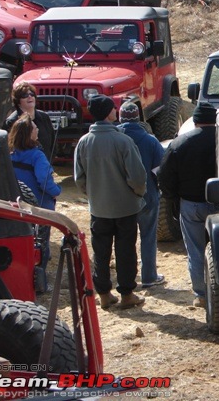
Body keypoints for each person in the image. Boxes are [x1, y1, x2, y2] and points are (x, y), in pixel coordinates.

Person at [74, 94, 147, 310]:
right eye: (114, 109)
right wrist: (137, 194)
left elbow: (79, 178)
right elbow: (137, 177)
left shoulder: (84, 142)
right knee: (126, 251)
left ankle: (104, 295)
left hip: (99, 208)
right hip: (125, 207)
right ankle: (127, 294)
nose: (117, 111)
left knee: (101, 251)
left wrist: (94, 195)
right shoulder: (123, 140)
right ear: (109, 113)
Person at [158, 102, 218, 308]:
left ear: (196, 121)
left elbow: (165, 178)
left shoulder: (179, 143)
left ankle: (201, 295)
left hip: (190, 205)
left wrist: (174, 198)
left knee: (195, 250)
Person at [8, 113, 61, 291]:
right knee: (41, 245)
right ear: (28, 133)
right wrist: (56, 192)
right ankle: (39, 283)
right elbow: (44, 180)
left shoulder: (10, 154)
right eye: (34, 128)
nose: (38, 129)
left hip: (16, 207)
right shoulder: (37, 156)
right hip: (40, 208)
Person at [118, 102, 166, 289]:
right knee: (148, 236)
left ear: (120, 117)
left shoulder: (115, 140)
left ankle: (127, 279)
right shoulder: (150, 140)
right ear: (138, 118)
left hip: (120, 199)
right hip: (147, 196)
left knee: (124, 239)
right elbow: (159, 170)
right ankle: (149, 276)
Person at [2, 82, 55, 162]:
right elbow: (8, 149)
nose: (30, 97)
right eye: (25, 95)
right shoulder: (11, 122)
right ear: (18, 101)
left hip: (44, 166)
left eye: (32, 94)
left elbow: (53, 144)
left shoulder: (44, 117)